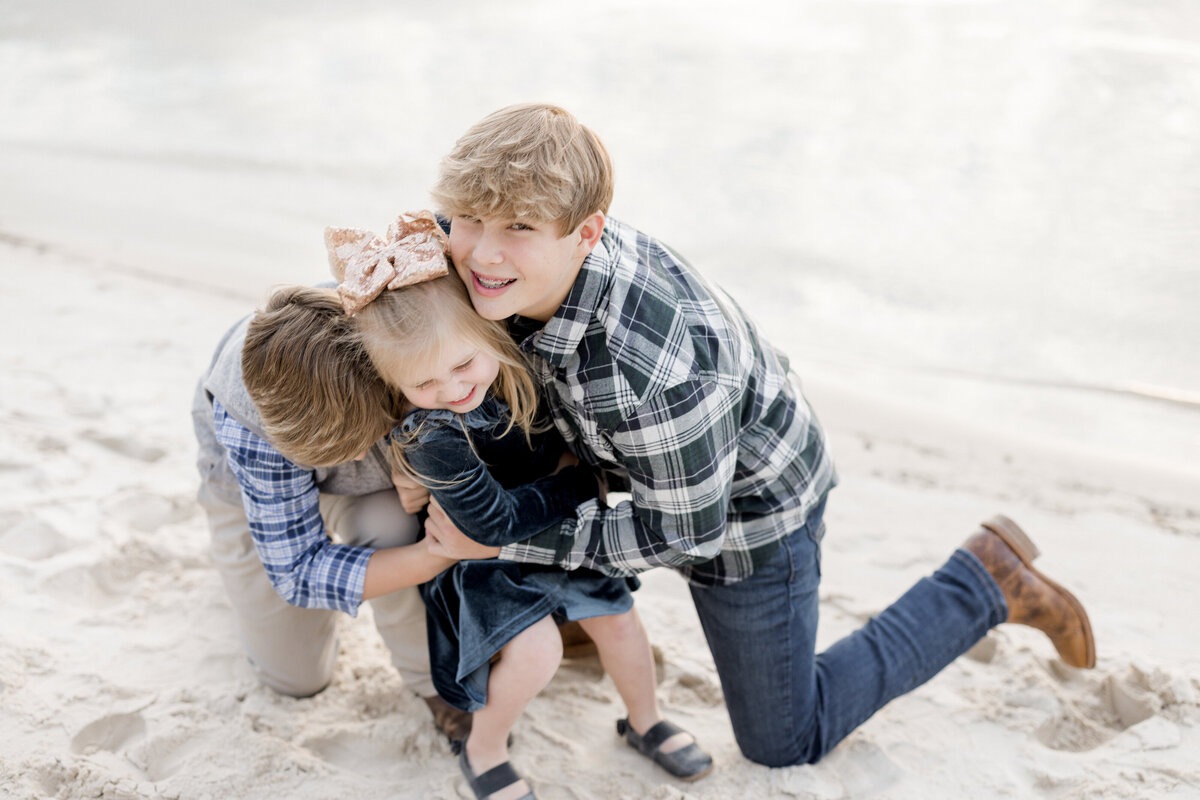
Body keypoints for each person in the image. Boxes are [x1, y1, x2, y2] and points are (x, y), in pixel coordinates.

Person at [416, 103, 1098, 768]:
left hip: (747, 514)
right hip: (627, 461)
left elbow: (685, 534)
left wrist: (503, 536)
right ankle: (561, 621)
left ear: (587, 234)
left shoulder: (651, 373)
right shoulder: (480, 250)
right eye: (469, 218)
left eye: (520, 226)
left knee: (782, 739)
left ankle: (984, 582)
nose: (482, 251)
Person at [330, 213, 712, 799]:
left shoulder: (513, 359)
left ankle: (645, 719)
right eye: (423, 385)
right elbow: (491, 524)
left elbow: (464, 233)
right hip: (483, 556)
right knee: (537, 650)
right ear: (395, 385)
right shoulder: (429, 434)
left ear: (487, 336)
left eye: (462, 365)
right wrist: (581, 484)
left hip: (554, 529)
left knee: (618, 618)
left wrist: (570, 477)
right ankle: (484, 749)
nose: (453, 390)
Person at [191, 283, 470, 742]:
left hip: (370, 480)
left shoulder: (396, 341)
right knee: (297, 678)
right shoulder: (251, 422)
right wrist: (433, 556)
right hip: (252, 490)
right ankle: (243, 588)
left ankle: (433, 682)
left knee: (390, 523)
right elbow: (297, 572)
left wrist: (413, 457)